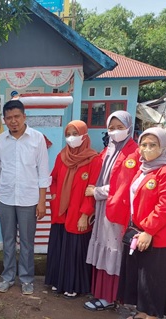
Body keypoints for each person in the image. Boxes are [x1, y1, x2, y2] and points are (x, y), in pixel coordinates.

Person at [118, 127, 166, 319]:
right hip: (141, 232)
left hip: (161, 238)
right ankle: (142, 311)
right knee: (142, 277)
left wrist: (148, 230)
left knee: (154, 279)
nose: (147, 149)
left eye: (153, 145)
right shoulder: (144, 169)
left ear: (163, 147)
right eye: (144, 144)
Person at [0, 100, 51, 295]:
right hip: (6, 198)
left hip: (29, 199)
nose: (13, 121)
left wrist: (42, 201)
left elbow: (43, 172)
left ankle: (26, 279)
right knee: (7, 241)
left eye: (17, 117)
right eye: (9, 118)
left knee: (26, 242)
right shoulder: (1, 140)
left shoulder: (37, 139)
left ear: (24, 117)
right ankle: (7, 277)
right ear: (4, 120)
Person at [84, 110, 140, 311]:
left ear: (129, 128)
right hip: (103, 209)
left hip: (117, 211)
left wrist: (97, 191)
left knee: (112, 251)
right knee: (102, 247)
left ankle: (109, 297)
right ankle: (100, 292)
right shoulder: (109, 149)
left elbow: (125, 187)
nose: (115, 132)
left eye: (119, 127)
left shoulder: (133, 153)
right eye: (111, 128)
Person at [45, 120, 101, 298]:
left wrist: (85, 214)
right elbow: (53, 179)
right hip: (60, 212)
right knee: (59, 246)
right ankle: (57, 282)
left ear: (84, 136)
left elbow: (92, 190)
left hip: (78, 213)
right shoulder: (62, 156)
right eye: (68, 134)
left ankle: (73, 285)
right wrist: (53, 197)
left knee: (74, 250)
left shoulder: (94, 159)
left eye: (75, 134)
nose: (71, 138)